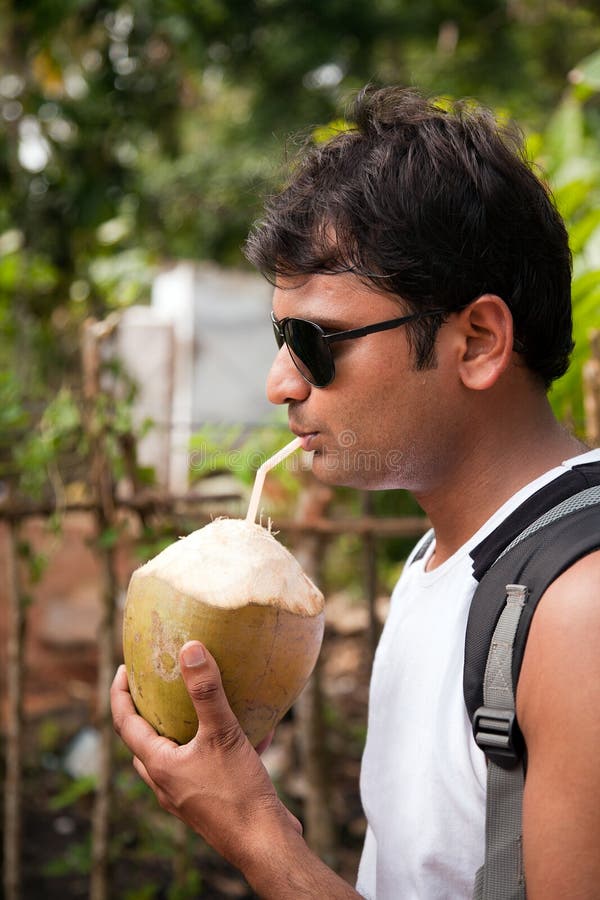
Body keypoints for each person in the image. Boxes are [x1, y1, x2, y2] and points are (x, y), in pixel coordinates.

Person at [111, 86, 600, 898]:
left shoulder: (575, 618)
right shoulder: (444, 558)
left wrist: (259, 837)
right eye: (279, 337)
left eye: (314, 340)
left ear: (476, 341)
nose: (279, 383)